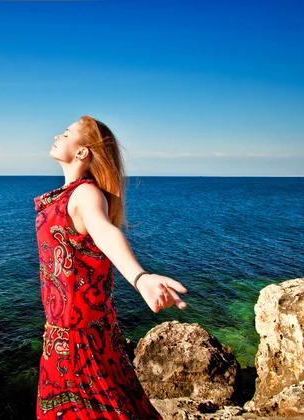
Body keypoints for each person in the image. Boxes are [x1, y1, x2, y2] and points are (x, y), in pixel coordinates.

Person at [33, 115, 188, 419]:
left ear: (82, 152)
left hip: (79, 341)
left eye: (66, 134)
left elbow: (104, 232)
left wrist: (140, 276)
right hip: (67, 335)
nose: (57, 135)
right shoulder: (70, 193)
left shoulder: (85, 194)